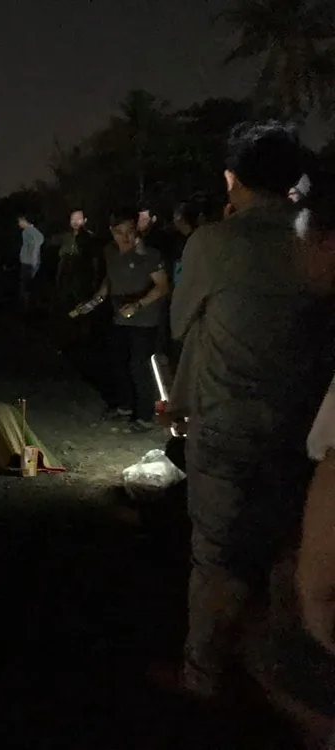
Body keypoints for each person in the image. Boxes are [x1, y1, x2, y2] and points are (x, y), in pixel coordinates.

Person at [168, 121, 334, 705]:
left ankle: (203, 674)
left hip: (227, 423)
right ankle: (287, 670)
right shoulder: (316, 241)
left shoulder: (213, 242)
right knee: (287, 548)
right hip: (304, 428)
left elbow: (180, 323)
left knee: (216, 555)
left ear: (231, 179)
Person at [72, 208, 169, 431]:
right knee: (118, 362)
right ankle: (124, 405)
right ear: (111, 231)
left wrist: (137, 305)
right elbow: (110, 280)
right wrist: (94, 301)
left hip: (145, 320)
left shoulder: (149, 255)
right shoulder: (110, 251)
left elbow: (162, 287)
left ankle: (144, 416)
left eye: (130, 231)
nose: (125, 237)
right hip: (119, 318)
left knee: (139, 366)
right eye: (119, 232)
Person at [17, 215, 44, 311]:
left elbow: (32, 247)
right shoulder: (36, 232)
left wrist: (31, 260)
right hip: (35, 262)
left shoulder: (26, 232)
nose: (19, 223)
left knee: (26, 286)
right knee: (32, 285)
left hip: (28, 263)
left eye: (20, 221)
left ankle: (26, 308)